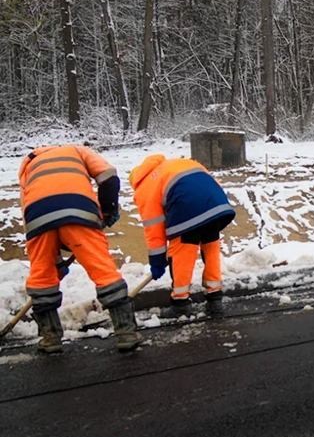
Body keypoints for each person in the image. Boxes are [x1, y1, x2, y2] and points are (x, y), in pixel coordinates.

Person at [18, 145, 140, 353]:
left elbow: (26, 206)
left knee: (41, 275)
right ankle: (126, 333)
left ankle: (50, 338)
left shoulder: (27, 164)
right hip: (79, 209)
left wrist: (53, 260)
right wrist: (108, 210)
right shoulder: (77, 150)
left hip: (36, 216)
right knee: (103, 269)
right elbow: (109, 177)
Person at [129, 154, 236, 317]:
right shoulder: (176, 164)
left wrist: (157, 261)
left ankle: (180, 303)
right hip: (217, 204)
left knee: (182, 252)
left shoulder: (144, 187)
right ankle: (215, 298)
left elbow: (154, 230)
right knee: (210, 246)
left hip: (187, 206)